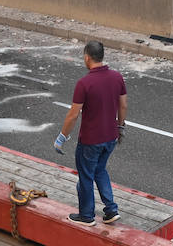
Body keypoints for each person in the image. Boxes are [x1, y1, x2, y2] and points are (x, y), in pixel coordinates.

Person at [53, 40, 126, 225]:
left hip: (90, 141)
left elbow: (73, 115)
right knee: (100, 170)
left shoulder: (84, 83)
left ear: (87, 57)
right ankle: (111, 210)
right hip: (110, 137)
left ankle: (86, 216)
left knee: (86, 175)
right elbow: (123, 104)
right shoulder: (117, 77)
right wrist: (120, 127)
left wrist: (62, 137)